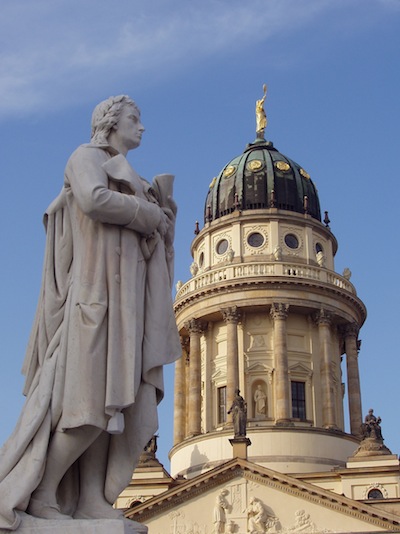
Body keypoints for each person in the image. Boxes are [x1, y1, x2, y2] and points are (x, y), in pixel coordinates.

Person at [0, 95, 181, 529]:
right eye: (135, 119)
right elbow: (94, 199)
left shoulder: (136, 178)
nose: (142, 127)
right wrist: (148, 213)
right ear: (111, 122)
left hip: (126, 303)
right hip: (93, 298)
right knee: (87, 405)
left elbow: (148, 241)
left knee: (113, 405)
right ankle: (43, 493)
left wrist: (164, 218)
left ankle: (91, 500)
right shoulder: (86, 157)